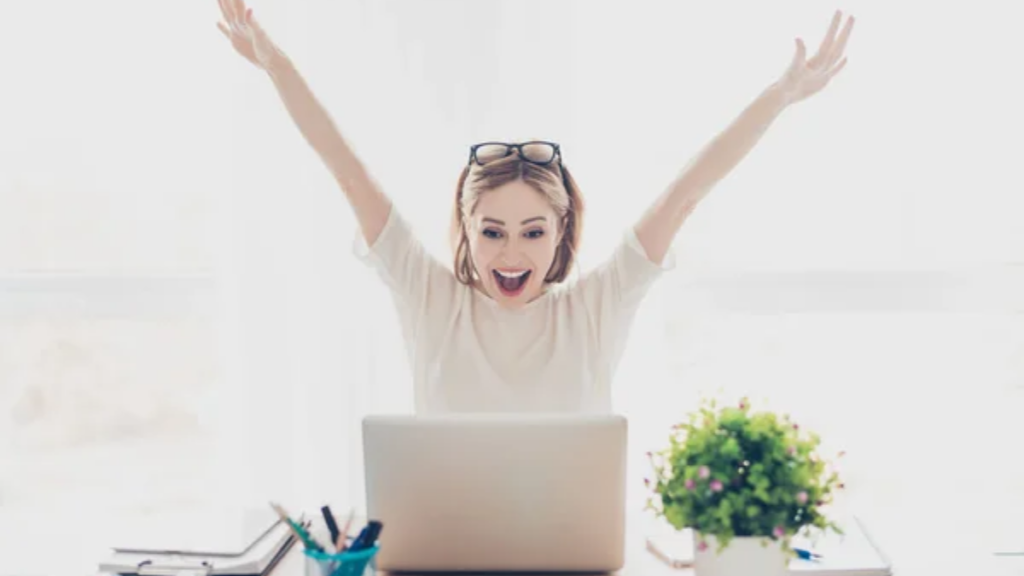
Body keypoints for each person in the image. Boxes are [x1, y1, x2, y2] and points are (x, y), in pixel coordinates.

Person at [215, 0, 854, 414]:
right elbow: (346, 171)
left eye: (532, 231)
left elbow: (686, 193)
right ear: (465, 228)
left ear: (561, 233)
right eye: (492, 231)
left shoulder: (598, 306)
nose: (512, 253)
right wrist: (275, 65)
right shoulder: (427, 295)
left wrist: (782, 94)